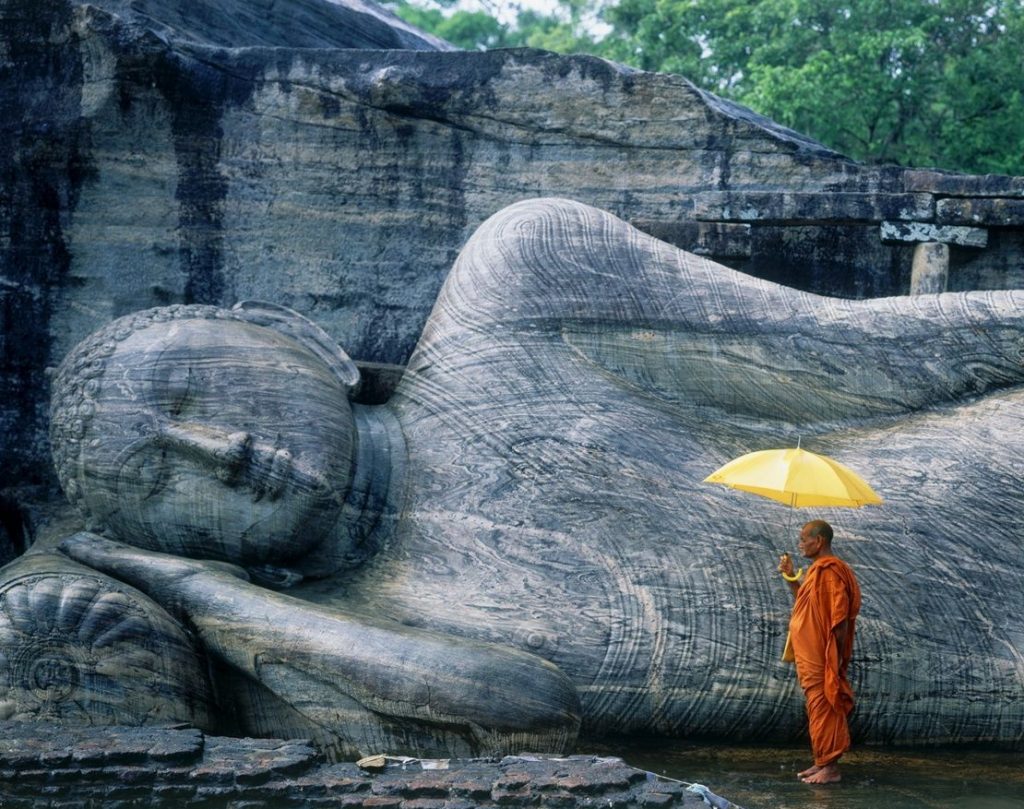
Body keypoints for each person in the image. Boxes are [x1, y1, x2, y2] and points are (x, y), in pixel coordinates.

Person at [779, 519, 861, 784]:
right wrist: (790, 576)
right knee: (817, 706)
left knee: (825, 704)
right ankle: (821, 761)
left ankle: (831, 767)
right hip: (811, 652)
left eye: (804, 539)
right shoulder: (816, 571)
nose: (800, 543)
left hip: (822, 654)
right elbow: (807, 604)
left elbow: (839, 619)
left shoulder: (830, 571)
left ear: (820, 540)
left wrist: (834, 659)